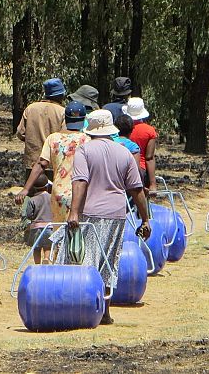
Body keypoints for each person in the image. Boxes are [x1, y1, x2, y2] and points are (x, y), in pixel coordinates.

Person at [63, 109, 151, 325]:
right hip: (116, 214)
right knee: (109, 260)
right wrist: (145, 219)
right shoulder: (124, 152)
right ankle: (105, 311)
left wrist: (74, 211)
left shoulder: (85, 150)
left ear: (90, 130)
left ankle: (81, 307)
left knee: (84, 259)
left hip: (89, 213)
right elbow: (137, 189)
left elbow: (80, 181)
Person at [15, 101, 89, 221]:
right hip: (80, 195)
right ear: (83, 119)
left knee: (59, 231)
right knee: (78, 234)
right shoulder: (86, 140)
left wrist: (26, 189)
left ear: (66, 118)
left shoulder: (53, 139)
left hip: (58, 193)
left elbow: (41, 164)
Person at [16, 78, 67, 180]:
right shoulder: (63, 112)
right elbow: (64, 138)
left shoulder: (30, 108)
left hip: (33, 162)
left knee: (32, 193)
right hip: (54, 163)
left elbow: (20, 133)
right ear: (61, 95)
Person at [125, 97, 158, 192]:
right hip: (141, 170)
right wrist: (153, 184)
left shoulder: (122, 129)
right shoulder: (149, 130)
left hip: (122, 170)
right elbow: (149, 157)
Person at [22, 173, 53, 264]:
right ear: (47, 186)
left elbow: (29, 215)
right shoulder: (52, 198)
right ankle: (46, 258)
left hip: (36, 227)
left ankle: (37, 264)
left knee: (36, 247)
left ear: (34, 187)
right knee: (48, 245)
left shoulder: (32, 200)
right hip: (49, 226)